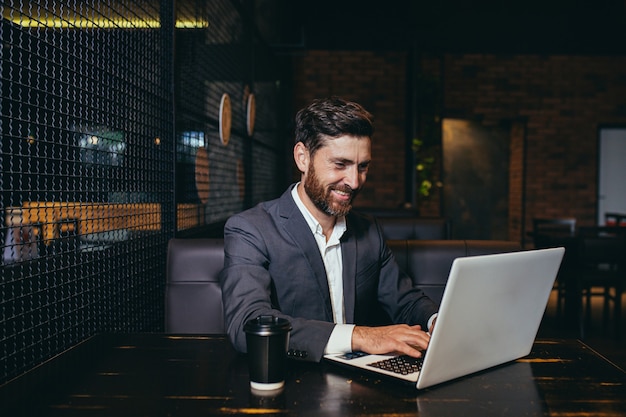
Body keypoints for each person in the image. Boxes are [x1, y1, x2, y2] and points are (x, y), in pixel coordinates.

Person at [220, 96, 438, 362]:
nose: (355, 181)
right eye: (340, 164)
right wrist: (360, 336)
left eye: (363, 167)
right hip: (294, 384)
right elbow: (248, 324)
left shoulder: (369, 230)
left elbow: (405, 301)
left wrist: (436, 320)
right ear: (303, 158)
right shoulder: (250, 229)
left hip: (361, 385)